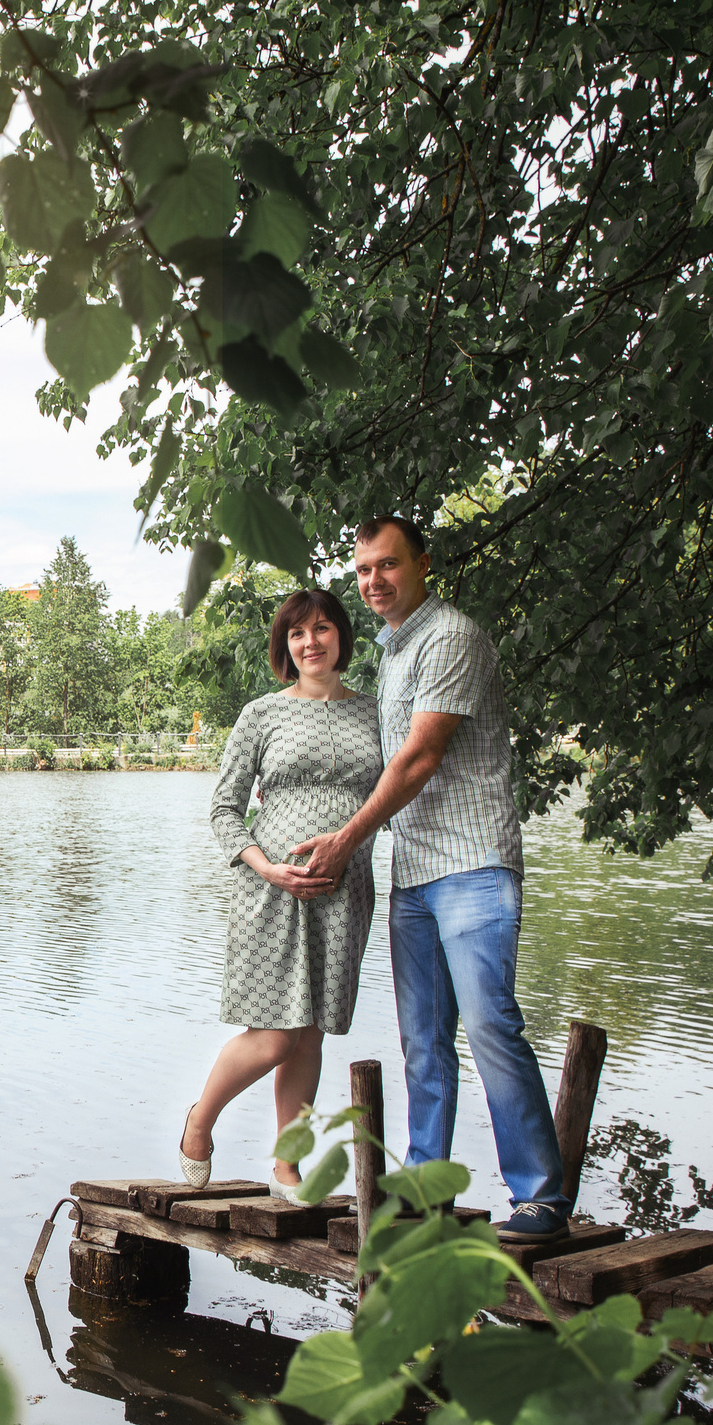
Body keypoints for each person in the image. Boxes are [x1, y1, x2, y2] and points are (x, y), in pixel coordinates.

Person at [285, 516, 568, 1241]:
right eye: (363, 570)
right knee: (424, 1042)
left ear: (422, 564)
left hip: (472, 865)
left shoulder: (449, 637)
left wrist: (346, 839)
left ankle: (539, 1196)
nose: (373, 581)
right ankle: (420, 1189)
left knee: (491, 1026)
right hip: (414, 871)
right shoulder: (395, 649)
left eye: (388, 565)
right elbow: (377, 762)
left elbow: (417, 757)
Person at [176, 588, 382, 1200]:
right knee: (274, 1035)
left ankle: (287, 1168)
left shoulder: (375, 713)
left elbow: (395, 791)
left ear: (341, 635)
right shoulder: (261, 714)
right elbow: (224, 809)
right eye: (297, 633)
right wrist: (266, 867)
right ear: (284, 646)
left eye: (322, 628)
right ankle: (199, 1121)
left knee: (311, 1031)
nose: (310, 642)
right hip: (271, 891)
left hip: (345, 892)